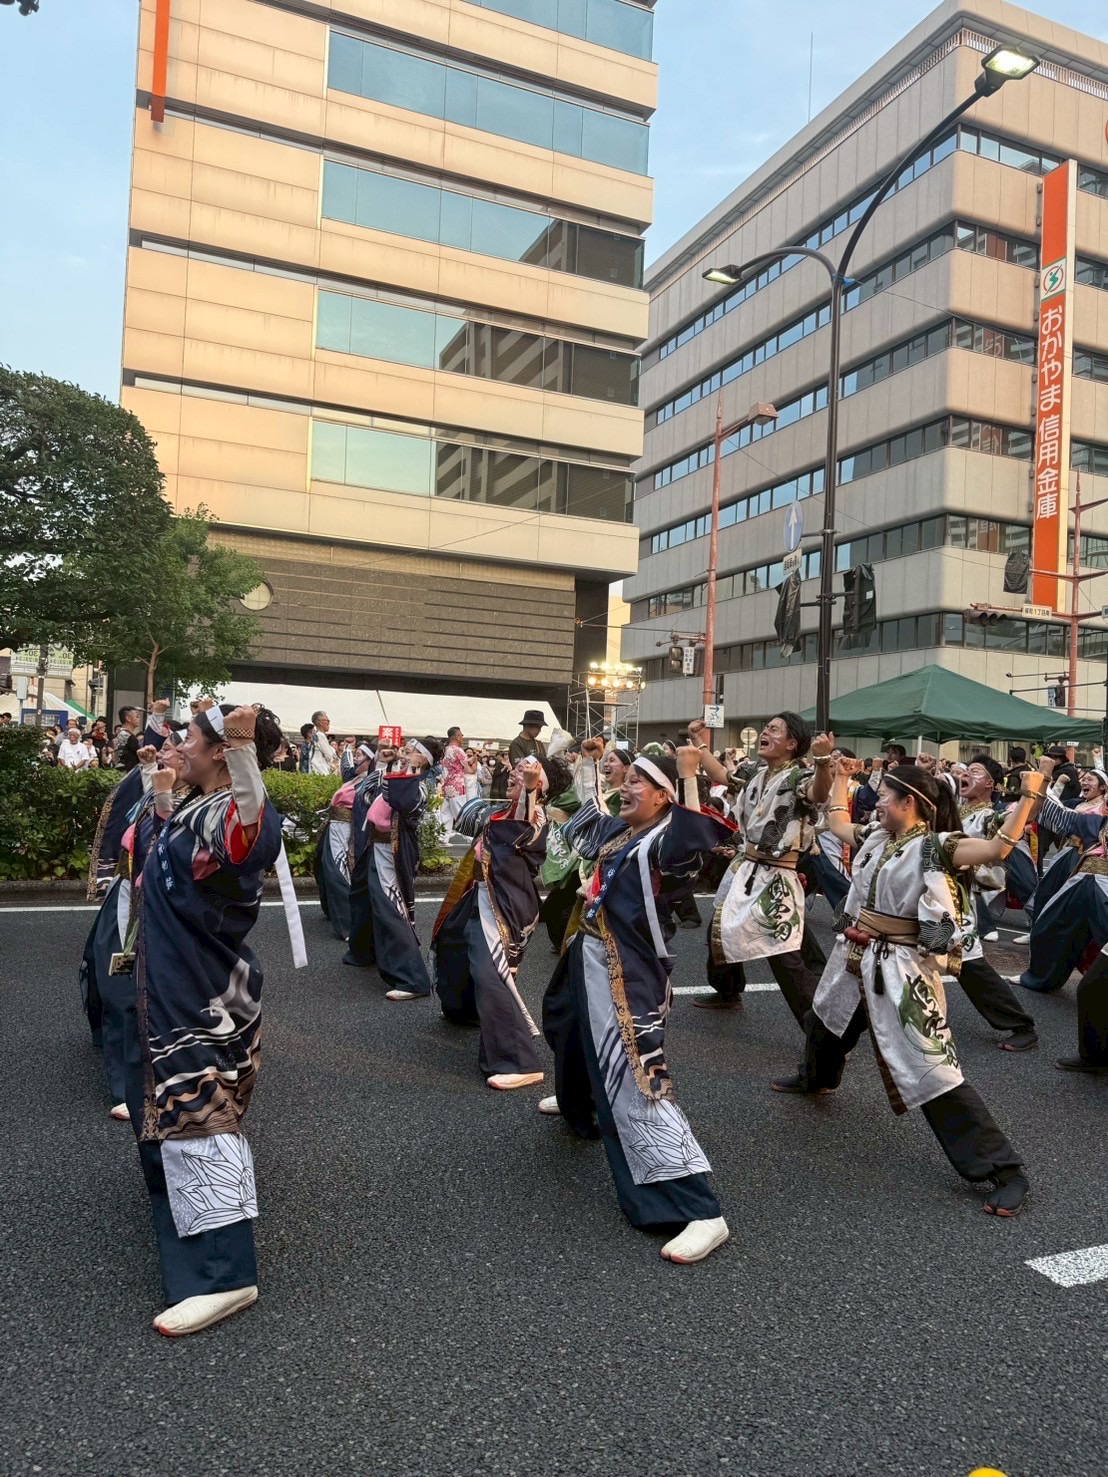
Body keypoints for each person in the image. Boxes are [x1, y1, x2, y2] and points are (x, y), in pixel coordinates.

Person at [773, 760, 1045, 1217]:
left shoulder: (937, 846)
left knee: (930, 1065)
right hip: (854, 955)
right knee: (825, 1021)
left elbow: (998, 848)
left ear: (909, 802)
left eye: (884, 795)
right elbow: (836, 822)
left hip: (899, 966)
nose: (876, 802)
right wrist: (840, 777)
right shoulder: (877, 837)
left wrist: (1030, 795)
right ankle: (815, 1078)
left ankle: (1004, 1169)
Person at [123, 701, 286, 1336]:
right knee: (162, 1097)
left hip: (204, 989)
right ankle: (179, 1212)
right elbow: (169, 859)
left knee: (200, 1111)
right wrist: (161, 792)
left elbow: (250, 837)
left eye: (188, 736)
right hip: (171, 975)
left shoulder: (234, 811)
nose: (177, 743)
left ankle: (224, 1274)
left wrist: (243, 746)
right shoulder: (202, 805)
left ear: (223, 750)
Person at [540, 746, 737, 1263]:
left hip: (626, 970)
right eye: (623, 779)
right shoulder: (627, 834)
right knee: (563, 1022)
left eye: (636, 781)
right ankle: (582, 1105)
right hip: (588, 949)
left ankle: (699, 1207)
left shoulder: (666, 842)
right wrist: (577, 770)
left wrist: (690, 776)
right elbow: (579, 821)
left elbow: (696, 838)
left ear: (664, 796)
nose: (624, 787)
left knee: (635, 1077)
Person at [433, 752, 571, 1089]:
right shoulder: (505, 811)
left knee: (492, 972)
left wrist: (530, 790)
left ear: (539, 785)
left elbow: (519, 825)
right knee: (452, 943)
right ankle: (466, 1010)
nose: (515, 773)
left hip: (505, 904)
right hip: (481, 893)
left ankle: (520, 1061)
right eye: (516, 768)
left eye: (527, 771)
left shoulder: (534, 818)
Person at [701, 714, 833, 1018]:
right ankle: (727, 991)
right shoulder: (755, 774)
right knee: (720, 927)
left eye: (774, 729)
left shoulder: (798, 777)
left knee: (784, 953)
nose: (765, 732)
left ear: (791, 743)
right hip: (746, 867)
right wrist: (699, 743)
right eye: (766, 728)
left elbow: (819, 793)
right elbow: (722, 774)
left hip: (776, 874)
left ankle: (820, 1027)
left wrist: (823, 760)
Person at [955, 757, 1038, 1052]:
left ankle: (1021, 1025)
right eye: (965, 770)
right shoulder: (951, 810)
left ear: (991, 784)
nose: (966, 774)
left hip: (955, 900)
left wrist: (1031, 792)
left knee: (969, 964)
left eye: (975, 772)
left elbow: (1018, 822)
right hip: (924, 895)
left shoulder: (989, 816)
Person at [1012, 754, 1108, 996]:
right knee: (1048, 926)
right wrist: (1044, 776)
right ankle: (1040, 978)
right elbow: (1052, 813)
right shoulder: (1095, 823)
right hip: (1084, 880)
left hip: (1100, 888)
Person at [359, 736, 444, 1000]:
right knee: (369, 900)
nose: (403, 754)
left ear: (424, 760)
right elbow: (365, 793)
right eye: (404, 750)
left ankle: (413, 979)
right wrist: (381, 764)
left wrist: (411, 768)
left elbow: (403, 801)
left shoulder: (420, 785)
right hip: (376, 846)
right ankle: (366, 953)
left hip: (393, 851)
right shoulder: (397, 775)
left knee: (392, 908)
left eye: (410, 751)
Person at [314, 779, 356, 942]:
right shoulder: (356, 775)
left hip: (348, 828)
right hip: (335, 825)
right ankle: (331, 909)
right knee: (322, 868)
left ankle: (349, 925)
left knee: (337, 872)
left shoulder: (377, 777)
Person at [440, 726, 468, 831]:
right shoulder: (458, 750)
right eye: (462, 735)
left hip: (446, 785)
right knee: (461, 814)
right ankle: (469, 837)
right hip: (457, 787)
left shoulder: (445, 750)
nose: (463, 738)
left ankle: (442, 836)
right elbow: (467, 766)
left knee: (445, 815)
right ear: (457, 736)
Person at [308, 710, 337, 775]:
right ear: (321, 722)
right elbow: (329, 755)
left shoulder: (316, 735)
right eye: (327, 721)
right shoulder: (320, 735)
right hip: (320, 771)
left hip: (317, 770)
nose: (329, 723)